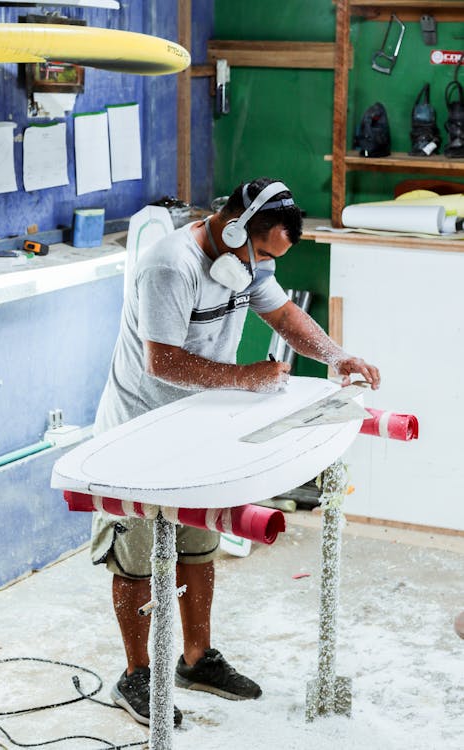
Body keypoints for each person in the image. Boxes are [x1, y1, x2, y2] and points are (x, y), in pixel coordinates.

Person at [91, 177, 381, 727]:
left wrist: (336, 355)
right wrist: (245, 377)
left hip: (199, 428)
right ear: (231, 228)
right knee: (136, 558)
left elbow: (283, 317)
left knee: (198, 543)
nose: (262, 268)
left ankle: (196, 660)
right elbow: (164, 363)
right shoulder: (168, 266)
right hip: (138, 434)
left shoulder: (247, 262)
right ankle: (135, 675)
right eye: (262, 253)